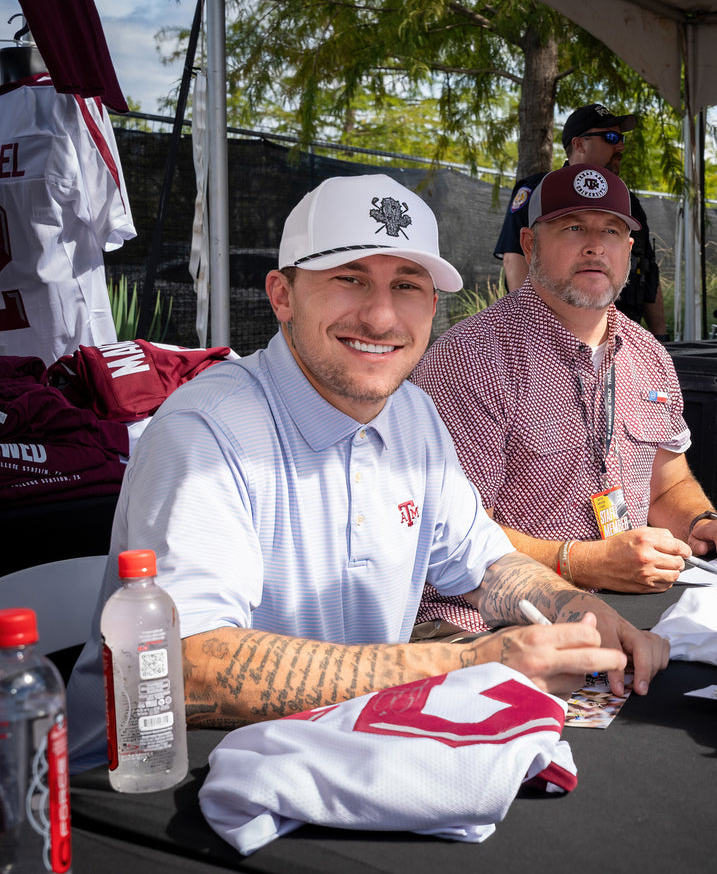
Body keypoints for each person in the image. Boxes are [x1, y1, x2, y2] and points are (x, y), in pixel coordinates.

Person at [65, 173, 669, 771]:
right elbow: (186, 663)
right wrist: (474, 663)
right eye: (349, 279)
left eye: (407, 286)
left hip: (330, 756)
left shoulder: (412, 413)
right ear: (281, 295)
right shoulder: (208, 431)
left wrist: (580, 614)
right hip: (150, 792)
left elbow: (484, 561)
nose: (381, 317)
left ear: (433, 307)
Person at [413, 163, 717, 627]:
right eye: (573, 227)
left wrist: (701, 522)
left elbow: (669, 484)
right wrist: (588, 562)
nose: (595, 245)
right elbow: (454, 536)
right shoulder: (472, 358)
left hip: (632, 605)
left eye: (612, 231)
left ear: (629, 252)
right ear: (530, 245)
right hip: (501, 626)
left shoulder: (649, 355)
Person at [494, 103, 667, 338]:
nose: (620, 146)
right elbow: (515, 259)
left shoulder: (628, 202)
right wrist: (533, 332)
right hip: (551, 334)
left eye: (622, 138)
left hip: (620, 337)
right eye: (611, 137)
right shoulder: (539, 191)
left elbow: (647, 270)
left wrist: (661, 336)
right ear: (578, 144)